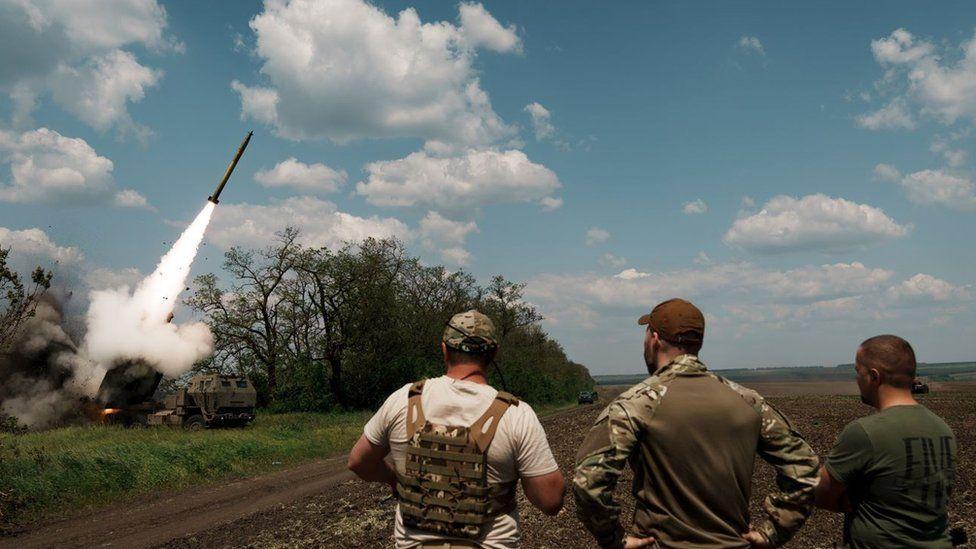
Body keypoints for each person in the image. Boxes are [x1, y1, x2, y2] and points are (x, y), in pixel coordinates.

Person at [573, 298, 819, 549]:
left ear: (654, 340)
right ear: (697, 343)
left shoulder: (636, 404)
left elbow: (588, 483)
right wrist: (773, 532)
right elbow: (805, 466)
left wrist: (614, 539)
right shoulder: (748, 401)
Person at [347, 309, 565, 549]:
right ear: (493, 354)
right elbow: (550, 500)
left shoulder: (404, 399)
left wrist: (394, 480)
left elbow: (359, 462)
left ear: (444, 349)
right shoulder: (517, 414)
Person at [816, 335, 957, 548]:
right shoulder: (943, 429)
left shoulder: (864, 432)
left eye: (858, 372)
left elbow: (820, 493)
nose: (857, 380)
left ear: (874, 376)